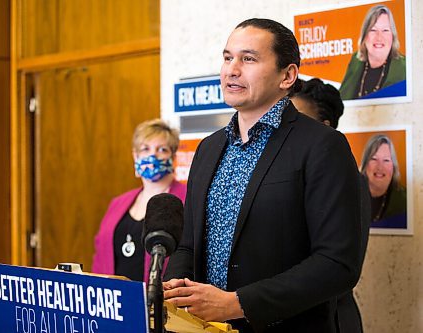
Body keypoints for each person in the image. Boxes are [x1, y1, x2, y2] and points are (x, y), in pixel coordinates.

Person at [163, 18, 363, 333]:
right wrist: (176, 287)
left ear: (287, 75)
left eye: (249, 59)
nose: (232, 69)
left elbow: (337, 263)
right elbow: (188, 244)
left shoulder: (322, 146)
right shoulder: (208, 148)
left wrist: (236, 303)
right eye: (227, 57)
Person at [292, 77, 370, 333]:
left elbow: (339, 267)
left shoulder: (347, 180)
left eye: (298, 120)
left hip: (329, 320)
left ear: (325, 128)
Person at [91, 119, 187, 282]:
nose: (152, 155)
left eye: (162, 149)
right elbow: (100, 255)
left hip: (162, 302)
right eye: (145, 149)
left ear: (173, 156)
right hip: (114, 300)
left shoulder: (188, 199)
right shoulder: (118, 203)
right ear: (135, 156)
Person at [339, 5, 406, 100]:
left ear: (393, 36)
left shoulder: (405, 68)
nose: (379, 37)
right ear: (365, 35)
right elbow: (341, 99)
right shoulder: (356, 60)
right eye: (373, 30)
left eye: (385, 30)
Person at [360, 134, 407, 228]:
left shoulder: (405, 200)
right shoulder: (351, 195)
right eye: (374, 159)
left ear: (393, 166)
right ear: (365, 164)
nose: (380, 167)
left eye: (386, 160)